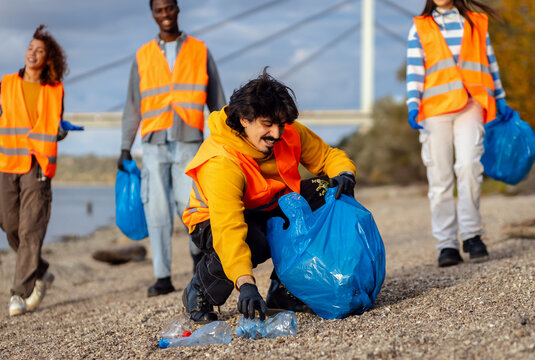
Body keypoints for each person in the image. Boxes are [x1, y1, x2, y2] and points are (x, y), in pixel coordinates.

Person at [180, 69, 357, 322]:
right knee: (256, 242)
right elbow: (228, 229)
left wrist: (345, 174)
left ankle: (284, 291)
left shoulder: (286, 131)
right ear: (244, 119)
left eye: (281, 124)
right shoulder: (221, 161)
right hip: (210, 220)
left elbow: (328, 156)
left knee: (325, 192)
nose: (276, 133)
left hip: (265, 204)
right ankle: (199, 291)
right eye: (267, 125)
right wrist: (246, 283)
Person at [118, 0, 226, 297]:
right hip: (153, 143)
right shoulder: (142, 56)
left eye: (169, 8)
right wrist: (125, 147)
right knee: (157, 210)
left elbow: (217, 100)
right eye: (158, 10)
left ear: (177, 9)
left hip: (189, 140)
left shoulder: (200, 50)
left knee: (190, 206)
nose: (165, 14)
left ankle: (197, 264)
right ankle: (162, 277)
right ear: (153, 14)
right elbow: (132, 106)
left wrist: (224, 138)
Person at [405, 0, 512, 267]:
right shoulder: (420, 27)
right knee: (440, 177)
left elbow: (490, 63)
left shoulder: (475, 22)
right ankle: (447, 245)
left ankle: (472, 236)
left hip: (472, 104)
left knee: (469, 167)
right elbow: (415, 71)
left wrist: (500, 98)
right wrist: (412, 105)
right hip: (434, 109)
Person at [0, 25, 71, 316]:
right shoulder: (5, 84)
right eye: (30, 48)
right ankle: (40, 269)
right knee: (10, 225)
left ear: (48, 58)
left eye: (39, 50)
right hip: (7, 162)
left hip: (37, 165)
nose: (33, 53)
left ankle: (20, 294)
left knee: (31, 229)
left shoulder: (55, 89)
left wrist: (61, 132)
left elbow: (56, 126)